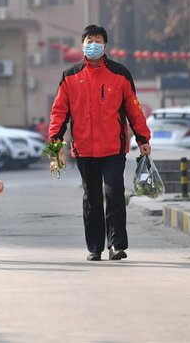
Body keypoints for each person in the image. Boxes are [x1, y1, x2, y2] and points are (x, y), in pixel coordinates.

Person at [47, 24, 151, 262]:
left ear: (105, 45)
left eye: (98, 40)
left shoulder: (120, 74)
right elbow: (59, 113)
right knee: (91, 197)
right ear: (82, 45)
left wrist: (143, 138)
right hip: (84, 149)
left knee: (114, 193)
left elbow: (133, 110)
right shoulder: (70, 76)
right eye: (89, 40)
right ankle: (95, 247)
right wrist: (54, 143)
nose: (93, 44)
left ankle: (116, 245)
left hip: (113, 148)